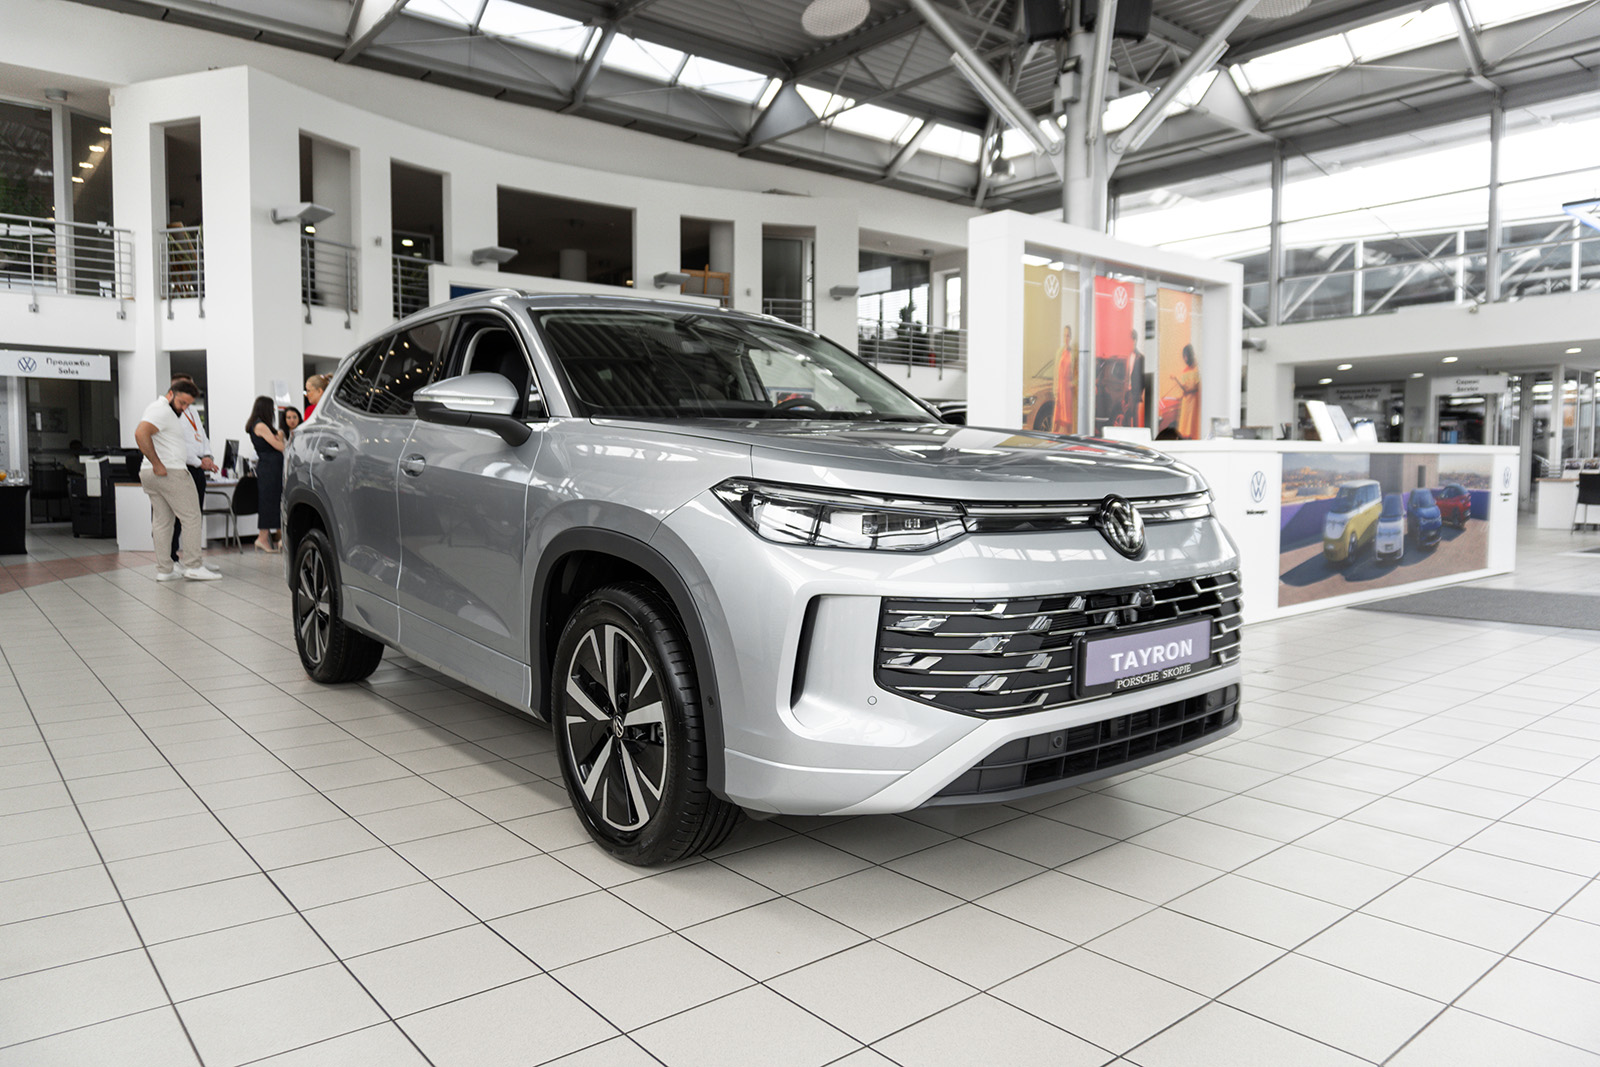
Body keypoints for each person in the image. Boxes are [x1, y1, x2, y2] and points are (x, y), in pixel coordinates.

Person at [135, 381, 221, 582]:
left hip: (153, 473)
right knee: (191, 517)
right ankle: (193, 566)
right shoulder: (161, 410)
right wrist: (157, 463)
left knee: (162, 522)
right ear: (171, 394)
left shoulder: (161, 410)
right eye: (182, 402)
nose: (184, 408)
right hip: (170, 471)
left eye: (188, 405)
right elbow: (140, 433)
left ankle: (165, 569)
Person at [168, 373, 218, 565]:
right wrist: (199, 461)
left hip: (198, 470)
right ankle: (172, 558)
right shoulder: (170, 413)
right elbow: (178, 444)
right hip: (182, 467)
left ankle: (194, 558)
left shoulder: (193, 411)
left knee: (195, 517)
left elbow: (202, 436)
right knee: (177, 518)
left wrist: (208, 456)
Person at [246, 396, 285, 553]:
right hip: (270, 468)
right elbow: (279, 446)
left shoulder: (260, 425)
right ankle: (263, 538)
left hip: (271, 467)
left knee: (272, 501)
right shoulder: (260, 426)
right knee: (269, 502)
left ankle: (265, 537)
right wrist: (280, 437)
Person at [1171, 344, 1202, 440]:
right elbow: (1184, 388)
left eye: (1186, 356)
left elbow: (1196, 386)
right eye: (1184, 356)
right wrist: (1176, 380)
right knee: (1185, 426)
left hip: (1194, 402)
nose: (1185, 359)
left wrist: (1187, 389)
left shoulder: (1197, 369)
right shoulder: (1185, 371)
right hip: (1186, 402)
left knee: (1193, 424)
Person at [1051, 324, 1076, 434]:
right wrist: (1055, 390)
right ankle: (1053, 438)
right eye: (1065, 335)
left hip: (1068, 390)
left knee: (1068, 416)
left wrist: (1073, 383)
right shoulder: (1059, 352)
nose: (1066, 338)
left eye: (1068, 335)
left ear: (1071, 337)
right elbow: (1056, 372)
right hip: (1060, 388)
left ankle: (1068, 437)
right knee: (1057, 415)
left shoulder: (1073, 354)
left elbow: (1077, 372)